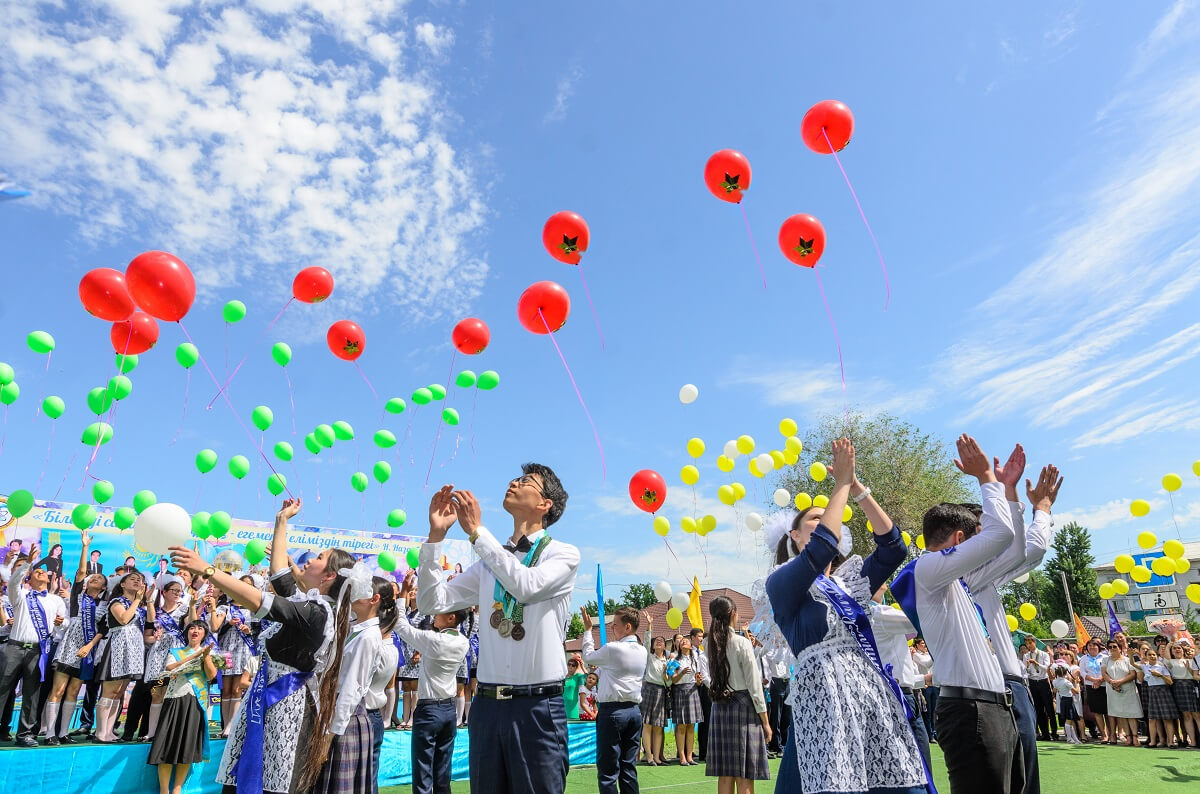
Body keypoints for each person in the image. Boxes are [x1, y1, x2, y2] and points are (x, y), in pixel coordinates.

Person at [763, 437, 925, 794]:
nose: (826, 520)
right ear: (794, 535)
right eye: (816, 519)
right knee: (827, 780)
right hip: (823, 693)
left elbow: (894, 547)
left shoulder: (849, 582)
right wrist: (838, 486)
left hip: (866, 691)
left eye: (827, 516)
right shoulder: (781, 582)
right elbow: (822, 547)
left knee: (889, 781)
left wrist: (857, 489)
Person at [170, 498, 354, 794]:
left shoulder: (318, 613)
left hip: (285, 708)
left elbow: (258, 600)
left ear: (330, 575)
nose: (308, 560)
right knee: (246, 775)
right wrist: (282, 520)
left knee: (272, 781)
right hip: (265, 698)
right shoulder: (310, 606)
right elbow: (281, 575)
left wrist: (208, 571)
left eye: (318, 557)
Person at [416, 465, 578, 794]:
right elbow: (433, 602)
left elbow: (526, 586)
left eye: (525, 482)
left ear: (545, 504)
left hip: (537, 707)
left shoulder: (563, 554)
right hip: (487, 707)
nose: (513, 483)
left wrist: (477, 532)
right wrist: (435, 538)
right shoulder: (491, 559)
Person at [893, 434, 1020, 793]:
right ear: (960, 539)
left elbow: (1011, 545)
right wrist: (986, 480)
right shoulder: (929, 568)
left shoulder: (954, 579)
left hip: (991, 707)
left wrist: (1009, 495)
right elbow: (1000, 536)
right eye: (974, 537)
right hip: (970, 711)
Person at [961, 456, 1060, 794]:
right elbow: (1021, 547)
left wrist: (1039, 508)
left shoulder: (985, 576)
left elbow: (1031, 549)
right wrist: (1009, 493)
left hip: (1011, 686)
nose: (992, 538)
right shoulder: (960, 574)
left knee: (1025, 779)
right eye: (983, 531)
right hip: (978, 691)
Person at [312, 562, 389, 794]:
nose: (354, 591)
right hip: (335, 714)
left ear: (373, 599)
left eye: (361, 588)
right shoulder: (356, 628)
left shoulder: (369, 636)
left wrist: (330, 733)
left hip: (345, 720)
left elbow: (352, 688)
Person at [393, 570, 471, 794]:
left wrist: (404, 595)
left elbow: (401, 626)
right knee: (442, 772)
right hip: (448, 710)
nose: (434, 616)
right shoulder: (463, 642)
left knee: (423, 771)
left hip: (429, 710)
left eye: (439, 612)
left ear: (451, 618)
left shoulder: (434, 640)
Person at [42, 530, 107, 744]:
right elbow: (81, 571)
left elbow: (102, 630)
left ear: (104, 587)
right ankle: (50, 732)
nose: (94, 578)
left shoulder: (104, 605)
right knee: (58, 689)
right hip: (70, 645)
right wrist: (85, 546)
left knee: (73, 690)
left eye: (98, 578)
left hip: (87, 650)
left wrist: (90, 646)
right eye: (92, 577)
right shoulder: (79, 593)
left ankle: (63, 732)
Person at [0, 551, 67, 746]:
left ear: (48, 578)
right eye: (36, 571)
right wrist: (27, 562)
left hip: (38, 650)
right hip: (14, 648)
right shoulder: (21, 594)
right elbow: (13, 583)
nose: (41, 572)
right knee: (2, 689)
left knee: (32, 693)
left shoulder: (55, 600)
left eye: (43, 571)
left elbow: (64, 624)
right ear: (29, 577)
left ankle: (25, 735)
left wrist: (62, 623)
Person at [703, 597, 769, 793]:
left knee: (725, 775)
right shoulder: (742, 643)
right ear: (733, 614)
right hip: (743, 709)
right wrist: (765, 720)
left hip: (719, 707)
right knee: (744, 775)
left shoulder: (708, 643)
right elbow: (754, 684)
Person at [580, 606, 648, 794]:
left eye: (615, 625)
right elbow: (609, 671)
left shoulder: (613, 649)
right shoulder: (642, 651)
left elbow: (587, 657)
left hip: (612, 713)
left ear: (627, 627)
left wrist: (587, 630)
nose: (612, 628)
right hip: (633, 712)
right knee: (628, 767)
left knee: (608, 770)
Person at [147, 619, 217, 794]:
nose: (195, 630)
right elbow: (170, 668)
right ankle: (164, 790)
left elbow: (211, 676)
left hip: (195, 702)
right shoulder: (176, 652)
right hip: (174, 701)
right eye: (192, 627)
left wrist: (206, 656)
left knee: (187, 747)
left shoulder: (209, 653)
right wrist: (195, 655)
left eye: (200, 628)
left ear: (204, 634)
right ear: (187, 632)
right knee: (166, 746)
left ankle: (177, 789)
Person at [869, 587, 930, 771]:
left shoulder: (862, 615)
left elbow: (893, 666)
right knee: (920, 763)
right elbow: (920, 620)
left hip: (891, 693)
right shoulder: (879, 613)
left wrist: (923, 679)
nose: (886, 586)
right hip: (901, 699)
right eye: (882, 581)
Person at [94, 568, 153, 742]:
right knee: (109, 691)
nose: (137, 582)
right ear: (122, 584)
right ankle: (100, 732)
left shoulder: (140, 606)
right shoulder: (116, 601)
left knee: (119, 692)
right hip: (118, 646)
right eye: (133, 579)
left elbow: (150, 623)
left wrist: (147, 601)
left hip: (133, 649)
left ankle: (109, 731)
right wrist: (137, 600)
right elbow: (124, 619)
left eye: (140, 580)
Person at [210, 576, 259, 736]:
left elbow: (259, 633)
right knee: (226, 689)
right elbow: (215, 627)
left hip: (244, 650)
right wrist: (227, 623)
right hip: (225, 650)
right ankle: (224, 726)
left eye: (249, 585)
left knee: (237, 689)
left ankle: (232, 726)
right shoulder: (225, 608)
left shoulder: (253, 609)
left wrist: (249, 631)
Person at [365, 577, 400, 784]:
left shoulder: (376, 645)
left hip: (364, 715)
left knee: (363, 781)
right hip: (372, 716)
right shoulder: (381, 644)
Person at [668, 635, 702, 764]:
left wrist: (699, 681)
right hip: (680, 691)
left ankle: (689, 756)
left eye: (686, 641)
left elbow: (698, 680)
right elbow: (673, 679)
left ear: (690, 646)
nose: (683, 642)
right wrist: (681, 673)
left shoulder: (695, 659)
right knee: (681, 725)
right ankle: (681, 756)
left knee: (691, 725)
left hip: (693, 690)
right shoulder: (674, 659)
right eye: (681, 641)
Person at [1101, 639, 1141, 745]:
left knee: (1131, 713)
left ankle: (1135, 736)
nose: (1112, 649)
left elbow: (1132, 674)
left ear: (1120, 648)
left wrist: (1119, 682)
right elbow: (1104, 673)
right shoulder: (1106, 660)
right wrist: (1112, 682)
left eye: (1115, 646)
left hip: (1128, 689)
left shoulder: (1128, 660)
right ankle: (1128, 736)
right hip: (1112, 689)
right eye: (1110, 647)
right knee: (1121, 714)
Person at [640, 628, 670, 766]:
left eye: (661, 641)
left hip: (661, 691)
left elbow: (669, 682)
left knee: (658, 726)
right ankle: (649, 756)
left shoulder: (668, 661)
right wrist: (650, 626)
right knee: (647, 724)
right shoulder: (649, 656)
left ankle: (657, 757)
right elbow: (646, 641)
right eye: (656, 641)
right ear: (653, 646)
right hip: (648, 689)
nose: (659, 642)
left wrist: (665, 673)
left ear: (665, 646)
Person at [1137, 648, 1178, 747]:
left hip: (1163, 691)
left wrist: (1160, 675)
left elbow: (1170, 681)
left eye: (1154, 654)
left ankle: (1171, 742)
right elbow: (1133, 664)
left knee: (1167, 718)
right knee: (1152, 719)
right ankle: (1153, 742)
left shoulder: (1162, 666)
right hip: (1152, 692)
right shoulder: (1145, 667)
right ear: (1146, 657)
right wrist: (1130, 655)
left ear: (1157, 656)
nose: (1152, 656)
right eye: (1149, 655)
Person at [1021, 635, 1057, 741]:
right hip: (1033, 682)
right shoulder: (1026, 655)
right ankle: (1045, 733)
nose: (1029, 645)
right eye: (1027, 643)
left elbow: (1047, 667)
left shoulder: (1043, 654)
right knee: (1038, 708)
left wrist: (1036, 663)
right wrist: (1027, 666)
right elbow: (1025, 671)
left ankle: (1054, 732)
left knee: (1049, 707)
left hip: (1043, 681)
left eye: (1030, 643)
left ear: (1034, 642)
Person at [1166, 641, 1199, 747]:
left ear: (1183, 650)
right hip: (1178, 687)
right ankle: (1192, 742)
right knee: (1186, 715)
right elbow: (1166, 656)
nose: (1177, 650)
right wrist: (1169, 644)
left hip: (1191, 685)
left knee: (1196, 714)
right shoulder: (1171, 662)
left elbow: (1194, 673)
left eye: (1179, 648)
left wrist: (1189, 667)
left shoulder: (1191, 659)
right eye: (1174, 648)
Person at [1079, 638, 1109, 742]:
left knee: (1108, 712)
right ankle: (1104, 734)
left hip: (1104, 685)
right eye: (1089, 645)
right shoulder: (1083, 659)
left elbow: (1108, 671)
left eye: (1094, 645)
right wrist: (1094, 680)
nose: (1092, 647)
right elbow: (1082, 673)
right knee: (1097, 712)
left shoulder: (1105, 657)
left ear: (1098, 647)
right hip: (1091, 687)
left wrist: (1100, 680)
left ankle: (1111, 734)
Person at [1051, 663, 1084, 744]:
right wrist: (1077, 683)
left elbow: (1054, 691)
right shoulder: (1066, 682)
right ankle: (1069, 738)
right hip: (1068, 700)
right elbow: (1076, 691)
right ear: (1065, 673)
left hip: (1063, 700)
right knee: (1069, 720)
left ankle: (1074, 738)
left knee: (1070, 719)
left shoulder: (1055, 682)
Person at [911, 637, 935, 740]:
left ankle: (934, 732)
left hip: (932, 683)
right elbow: (927, 664)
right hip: (923, 684)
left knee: (934, 710)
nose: (924, 645)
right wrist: (936, 653)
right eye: (922, 643)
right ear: (916, 646)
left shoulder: (928, 654)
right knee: (927, 711)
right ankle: (930, 734)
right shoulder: (916, 655)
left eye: (925, 643)